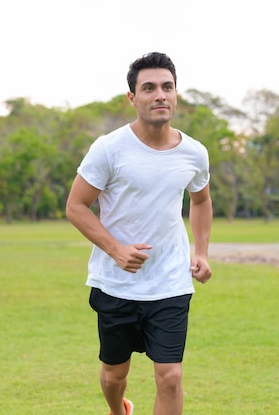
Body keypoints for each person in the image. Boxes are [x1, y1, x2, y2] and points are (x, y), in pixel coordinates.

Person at [65, 52, 213, 415]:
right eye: (149, 88)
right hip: (116, 283)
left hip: (170, 281)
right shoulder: (109, 149)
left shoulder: (194, 153)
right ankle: (119, 410)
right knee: (114, 376)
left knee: (170, 376)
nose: (160, 95)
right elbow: (75, 206)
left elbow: (201, 200)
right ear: (132, 98)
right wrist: (116, 249)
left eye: (167, 87)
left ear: (176, 94)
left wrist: (202, 253)